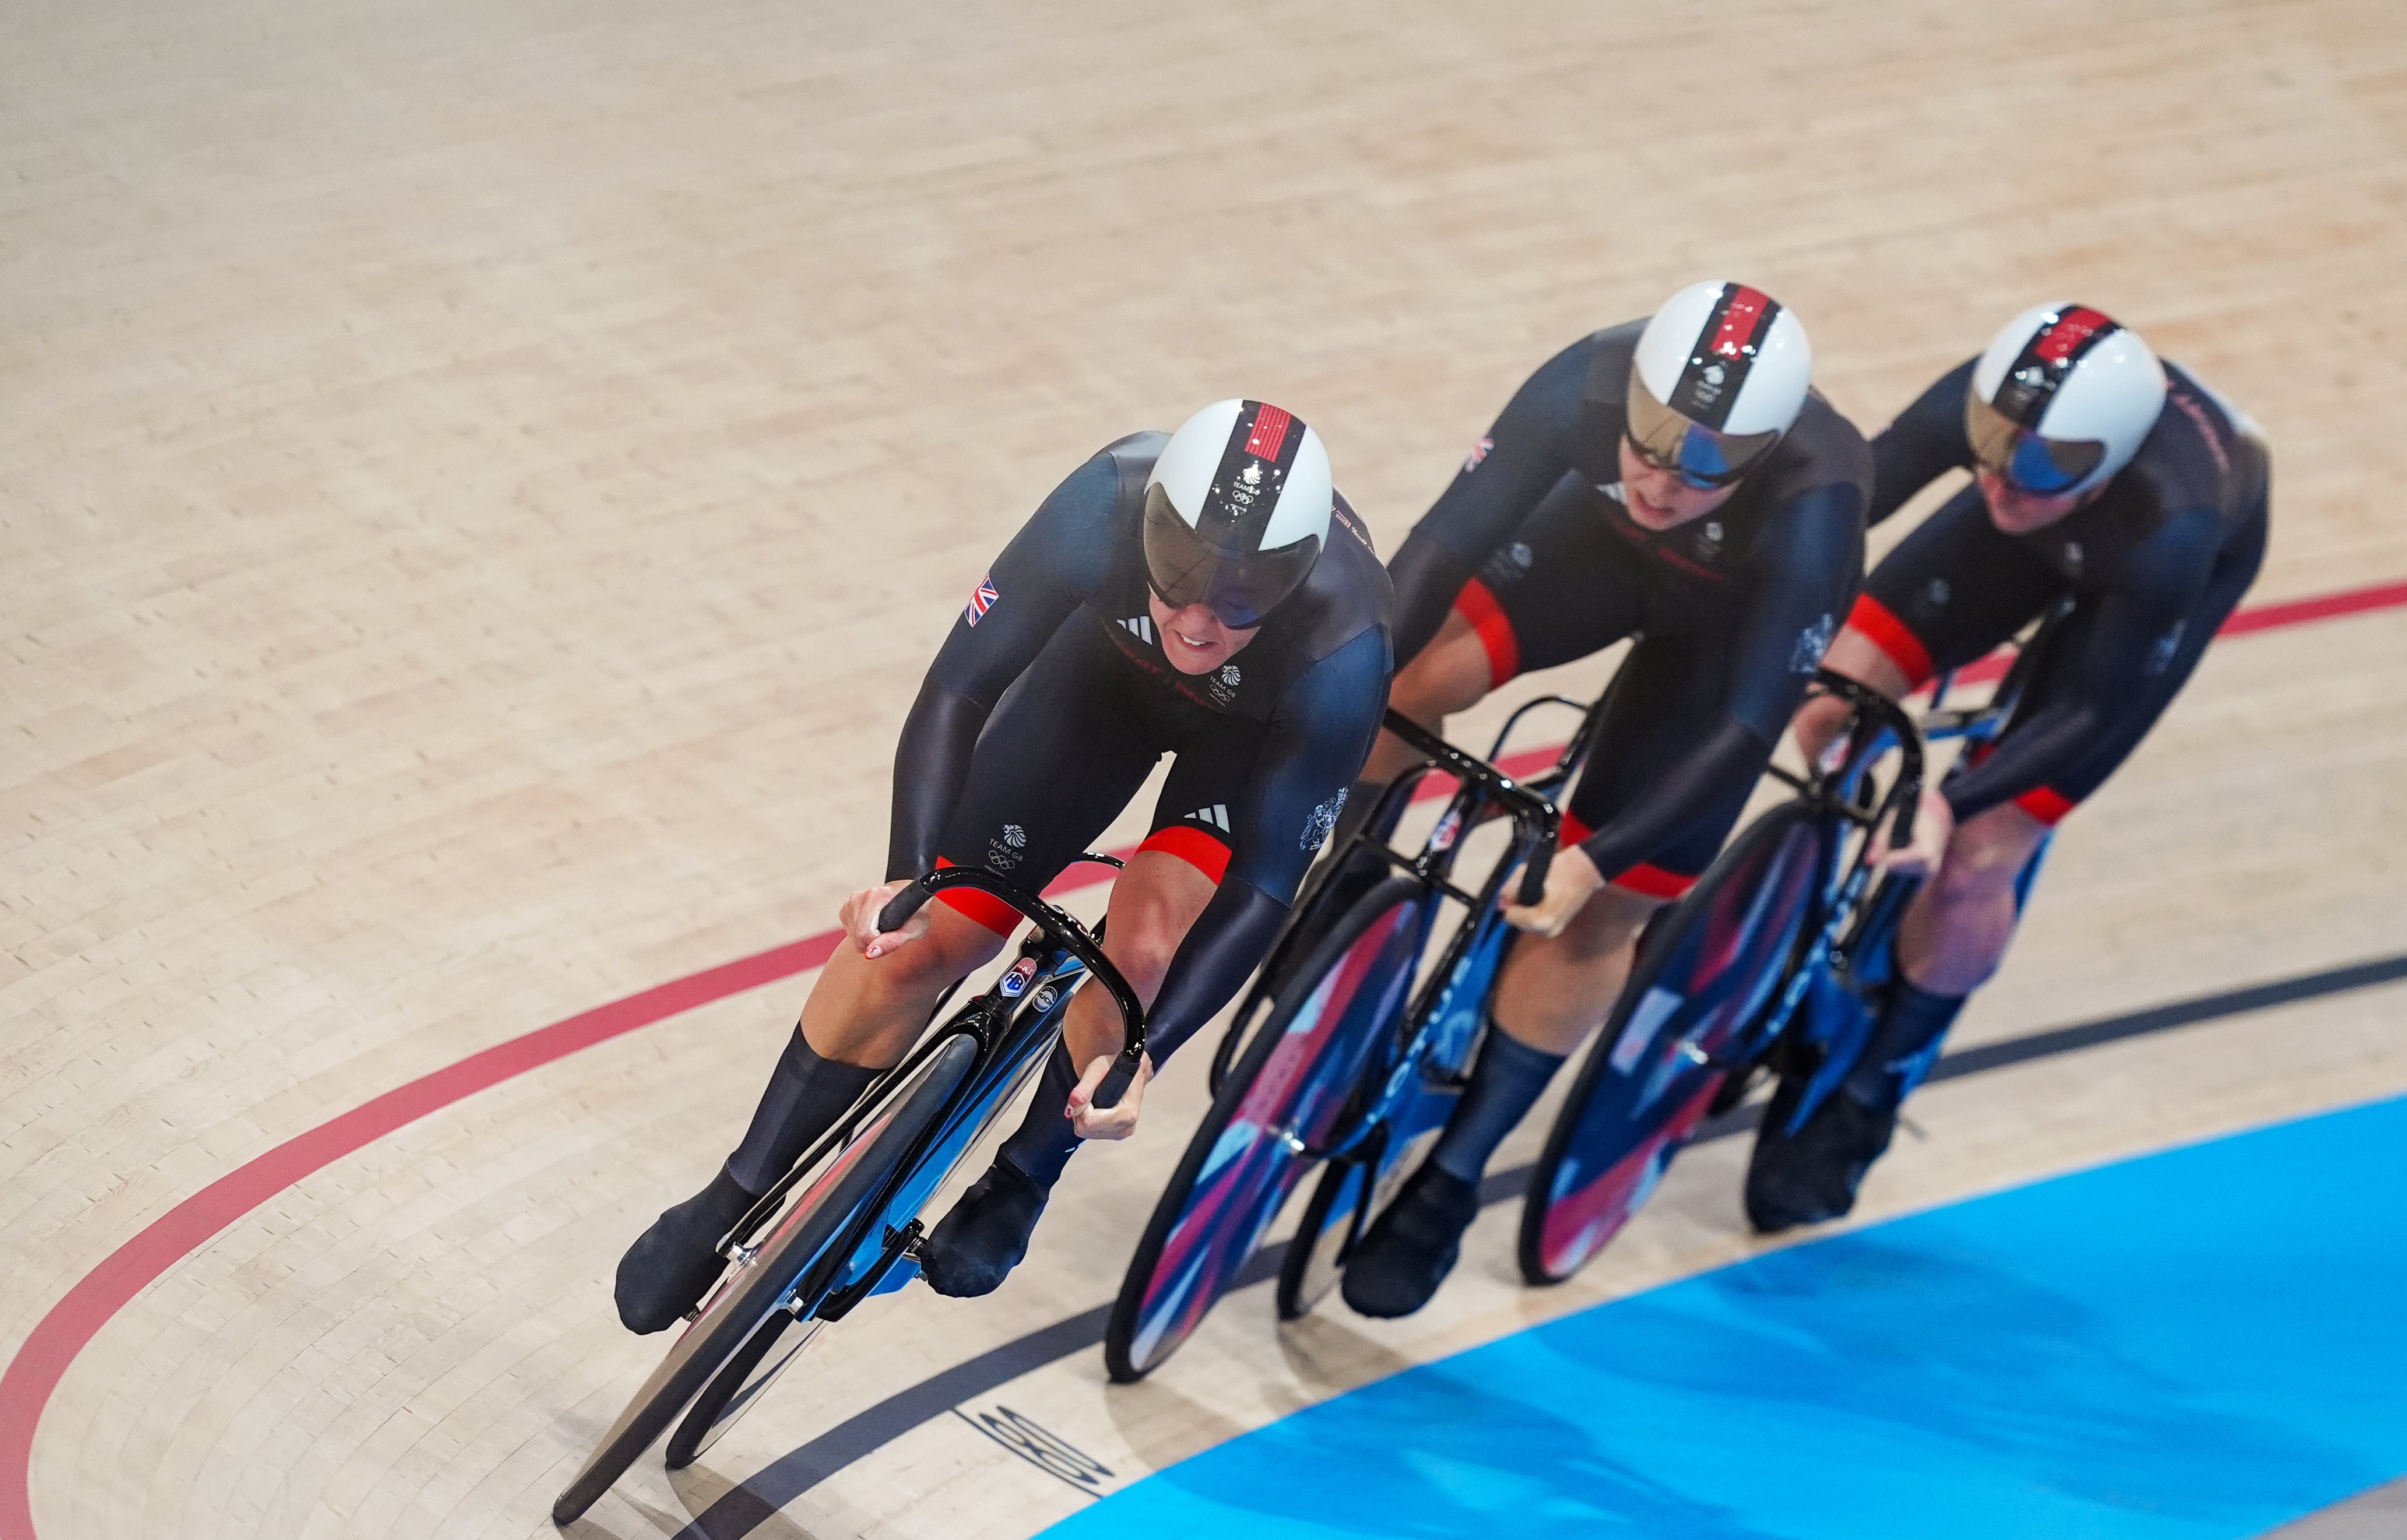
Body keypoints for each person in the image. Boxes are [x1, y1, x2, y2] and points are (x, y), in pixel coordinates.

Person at [614, 400, 1393, 1330]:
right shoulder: (1105, 499)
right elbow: (958, 689)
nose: (1196, 619)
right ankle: (734, 1191)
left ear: (1295, 579)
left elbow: (1266, 886)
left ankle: (1025, 1176)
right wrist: (910, 875)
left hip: (1246, 746)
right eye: (1179, 575)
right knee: (913, 942)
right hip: (1098, 689)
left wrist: (1145, 1052)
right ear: (1151, 530)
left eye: (1240, 599)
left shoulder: (1344, 648)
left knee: (1140, 949)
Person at [1329, 281, 1873, 1317]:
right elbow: (1435, 552)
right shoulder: (1585, 380)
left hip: (1725, 640)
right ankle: (1353, 905)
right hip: (1592, 554)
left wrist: (1591, 858)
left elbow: (1742, 733)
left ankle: (1454, 1175)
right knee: (1393, 690)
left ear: (1759, 455)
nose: (1666, 481)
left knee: (1603, 902)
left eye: (1707, 463)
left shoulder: (1817, 501)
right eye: (1653, 441)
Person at [1745, 301, 2272, 1228]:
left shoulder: (2172, 524)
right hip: (2067, 521)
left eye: (2041, 466)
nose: (2005, 480)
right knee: (1829, 701)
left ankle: (1873, 1090)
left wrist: (1952, 802)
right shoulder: (2004, 431)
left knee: (1981, 852)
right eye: (1994, 446)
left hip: (2158, 573)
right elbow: (1847, 502)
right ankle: (1806, 916)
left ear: (2101, 463)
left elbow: (2083, 711)